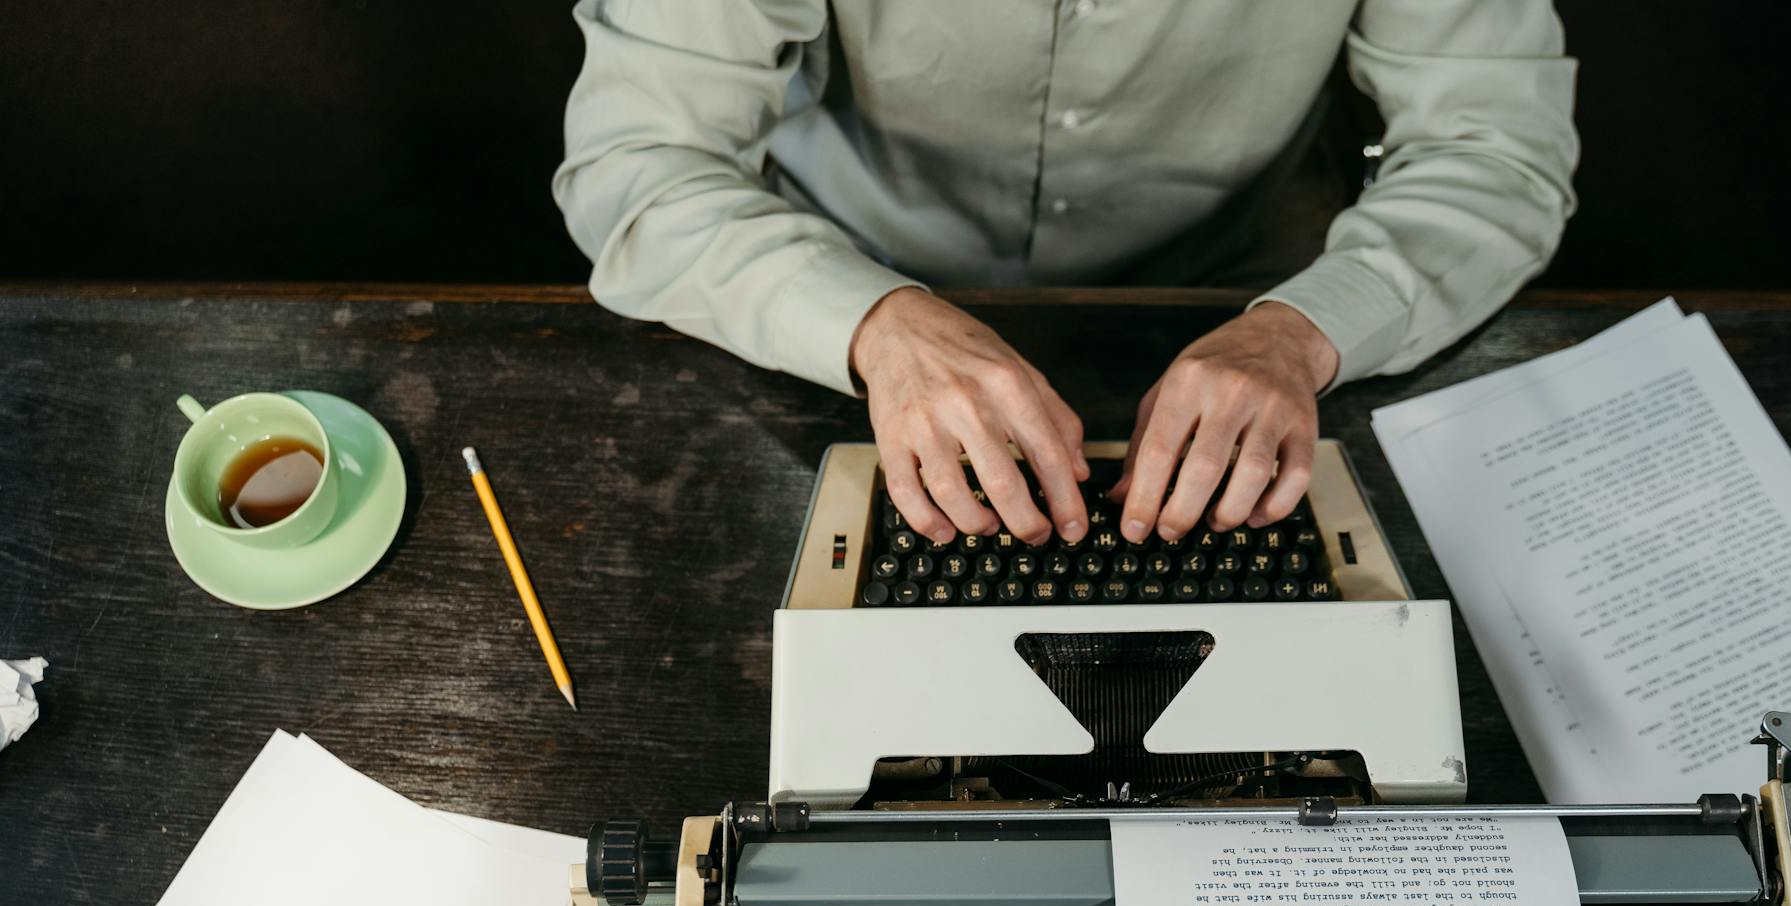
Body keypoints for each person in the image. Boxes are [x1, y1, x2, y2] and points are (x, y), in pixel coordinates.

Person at [555, 0, 1576, 548]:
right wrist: (871, 320)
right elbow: (636, 164)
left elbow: (1494, 151)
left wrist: (1300, 329)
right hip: (821, 293)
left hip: (1249, 294)